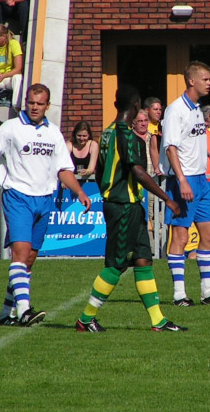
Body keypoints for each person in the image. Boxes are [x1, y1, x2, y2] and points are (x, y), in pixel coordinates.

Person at [0, 83, 91, 326]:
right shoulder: (11, 128)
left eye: (40, 103)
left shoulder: (53, 133)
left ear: (48, 105)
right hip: (17, 196)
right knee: (20, 253)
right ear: (26, 102)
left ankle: (6, 313)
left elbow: (63, 169)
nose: (34, 107)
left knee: (29, 260)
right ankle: (24, 310)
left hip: (45, 200)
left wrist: (79, 191)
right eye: (31, 103)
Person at [75, 85, 185, 333]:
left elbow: (102, 171)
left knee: (143, 260)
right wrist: (166, 198)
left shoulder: (106, 134)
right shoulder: (127, 135)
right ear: (136, 107)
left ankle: (158, 321)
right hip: (123, 206)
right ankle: (86, 318)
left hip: (129, 206)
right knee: (116, 264)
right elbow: (138, 170)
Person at [160, 61, 210, 306]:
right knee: (180, 237)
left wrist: (207, 154)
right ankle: (179, 294)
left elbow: (190, 140)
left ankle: (208, 292)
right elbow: (170, 147)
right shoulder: (176, 109)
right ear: (192, 81)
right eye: (205, 78)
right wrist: (181, 181)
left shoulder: (197, 109)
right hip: (185, 179)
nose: (209, 82)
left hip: (200, 179)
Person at [143, 96, 163, 176]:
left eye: (160, 109)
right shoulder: (143, 127)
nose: (159, 112)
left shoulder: (163, 126)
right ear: (147, 110)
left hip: (162, 171)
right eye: (155, 109)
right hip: (147, 169)